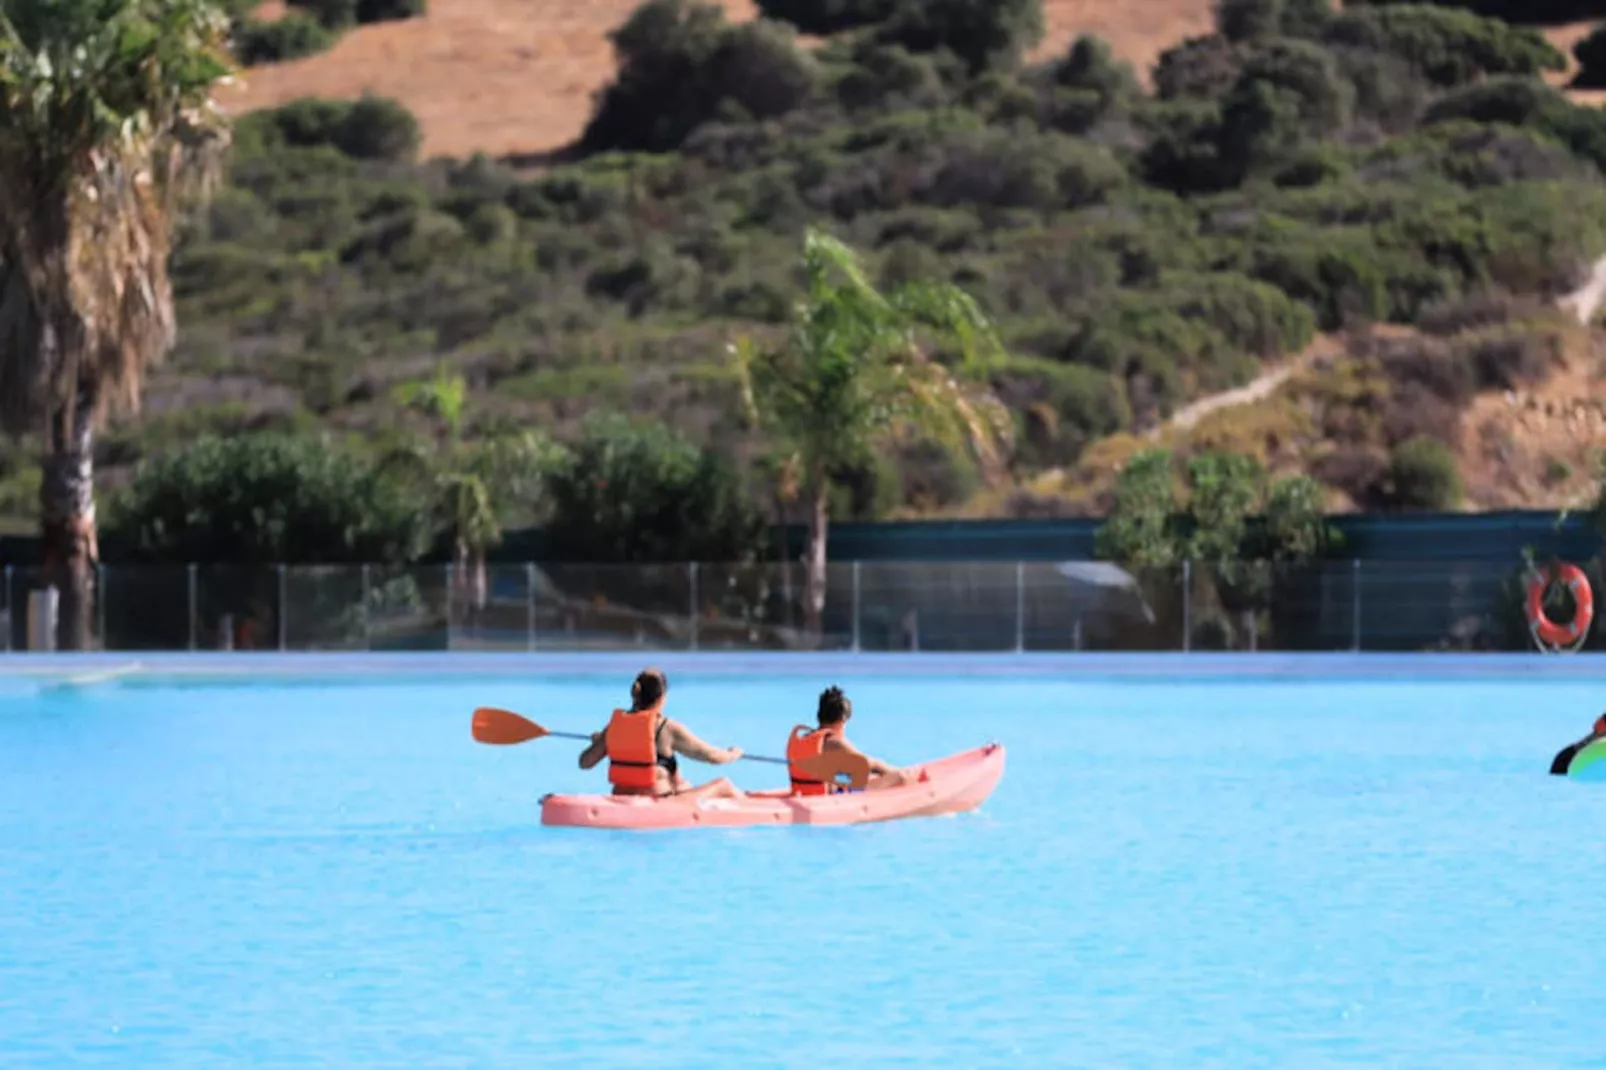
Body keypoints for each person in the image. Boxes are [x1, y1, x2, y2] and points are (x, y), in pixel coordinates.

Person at [578, 668, 746, 800]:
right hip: (659, 800)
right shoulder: (667, 728)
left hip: (622, 796)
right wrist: (733, 754)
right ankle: (751, 806)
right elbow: (712, 756)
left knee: (682, 783)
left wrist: (601, 743)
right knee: (724, 784)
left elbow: (585, 763)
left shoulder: (615, 726)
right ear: (662, 697)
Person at [786, 685, 923, 795]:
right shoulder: (835, 742)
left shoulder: (805, 737)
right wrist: (902, 772)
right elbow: (871, 765)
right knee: (899, 778)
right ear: (842, 720)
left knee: (868, 779)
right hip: (829, 797)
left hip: (804, 791)